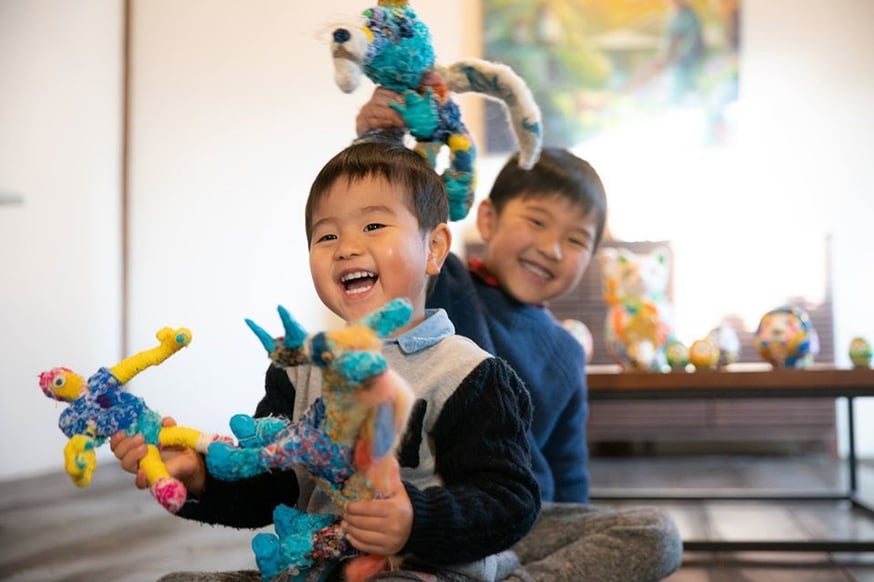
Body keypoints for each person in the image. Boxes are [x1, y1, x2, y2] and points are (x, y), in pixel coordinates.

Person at [111, 138, 541, 581]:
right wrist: (198, 475)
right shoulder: (298, 372)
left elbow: (510, 501)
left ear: (433, 248)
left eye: (373, 226)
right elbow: (267, 489)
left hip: (426, 569)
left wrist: (416, 519)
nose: (346, 248)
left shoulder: (467, 373)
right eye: (327, 235)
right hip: (316, 565)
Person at [357, 91, 684, 581]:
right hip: (431, 511)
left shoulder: (567, 352)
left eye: (576, 239)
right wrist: (379, 138)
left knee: (658, 532)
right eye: (537, 221)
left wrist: (577, 531)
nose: (552, 248)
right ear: (488, 218)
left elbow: (568, 471)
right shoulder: (443, 281)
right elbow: (393, 216)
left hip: (524, 523)